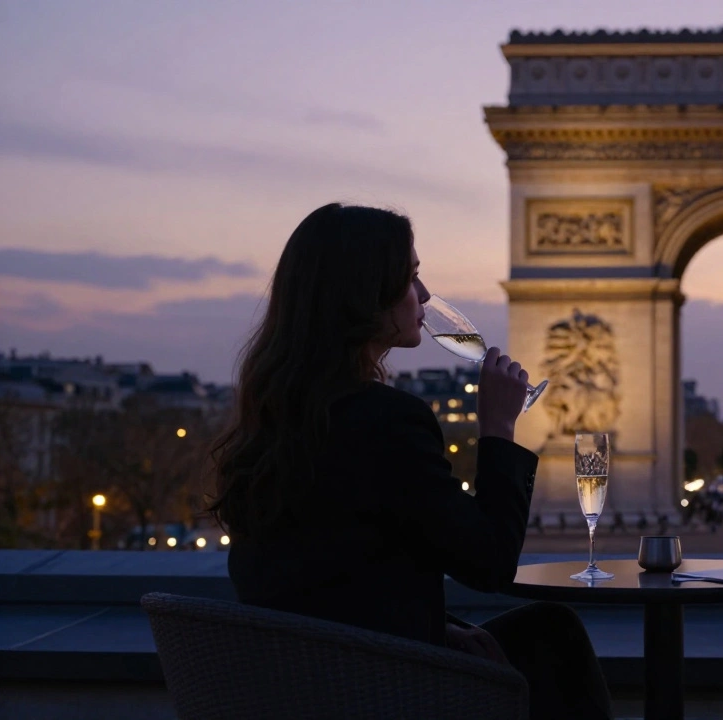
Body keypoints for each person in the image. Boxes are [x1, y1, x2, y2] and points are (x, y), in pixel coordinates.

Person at [208, 203, 612, 720]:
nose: (423, 295)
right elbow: (488, 561)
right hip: (386, 689)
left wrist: (434, 628)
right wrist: (498, 428)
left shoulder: (271, 421)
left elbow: (323, 572)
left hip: (314, 682)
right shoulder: (388, 421)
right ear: (366, 296)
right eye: (412, 277)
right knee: (553, 635)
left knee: (545, 632)